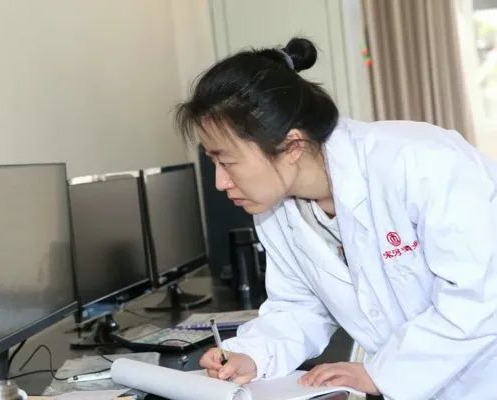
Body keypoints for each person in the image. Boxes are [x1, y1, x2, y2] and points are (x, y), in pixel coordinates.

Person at [175, 37, 497, 400]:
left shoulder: (419, 161)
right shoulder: (276, 206)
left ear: (292, 146)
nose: (219, 182)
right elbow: (300, 306)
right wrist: (251, 355)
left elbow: (479, 297)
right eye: (213, 162)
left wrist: (383, 374)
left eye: (227, 161)